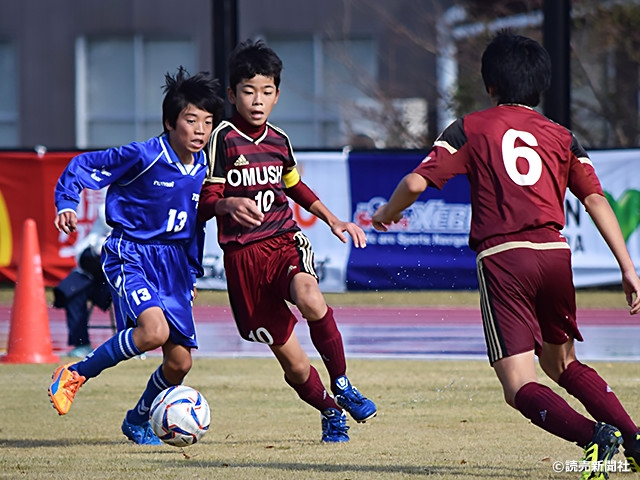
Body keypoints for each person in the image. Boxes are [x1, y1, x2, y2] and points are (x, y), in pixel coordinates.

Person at [371, 31, 640, 479]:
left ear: (490, 84)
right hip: (555, 254)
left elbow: (417, 183)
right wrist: (628, 268)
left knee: (519, 384)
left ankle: (595, 439)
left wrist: (385, 212)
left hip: (506, 257)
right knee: (562, 363)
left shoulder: (471, 127)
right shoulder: (562, 135)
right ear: (541, 87)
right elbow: (595, 200)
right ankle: (633, 437)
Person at [198, 39, 377, 443]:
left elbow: (293, 185)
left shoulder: (279, 139)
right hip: (244, 261)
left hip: (283, 242)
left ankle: (344, 384)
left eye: (265, 91)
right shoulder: (222, 139)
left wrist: (332, 219)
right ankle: (330, 411)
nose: (256, 100)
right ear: (232, 95)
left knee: (311, 297)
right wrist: (227, 204)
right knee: (294, 365)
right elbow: (206, 199)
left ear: (277, 95)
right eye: (247, 91)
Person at [48, 66, 225, 445]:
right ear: (169, 121)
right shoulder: (144, 154)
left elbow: (196, 227)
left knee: (180, 362)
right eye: (191, 120)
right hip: (132, 253)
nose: (199, 130)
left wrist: (190, 276)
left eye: (207, 123)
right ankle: (75, 374)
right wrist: (66, 202)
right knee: (153, 332)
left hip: (175, 265)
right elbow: (82, 166)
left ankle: (138, 419)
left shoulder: (205, 169)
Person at [53, 201, 112, 358]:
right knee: (72, 289)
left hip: (120, 278)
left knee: (125, 290)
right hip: (93, 276)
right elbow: (83, 255)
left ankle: (135, 341)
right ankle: (81, 344)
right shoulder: (104, 214)